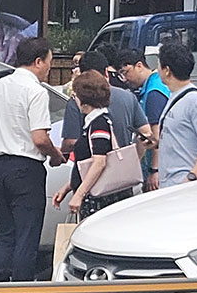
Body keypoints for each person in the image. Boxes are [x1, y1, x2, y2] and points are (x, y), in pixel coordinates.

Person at [0, 38, 63, 293]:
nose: (49, 67)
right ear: (38, 61)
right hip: (26, 168)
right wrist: (55, 154)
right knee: (26, 238)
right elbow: (39, 137)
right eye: (48, 61)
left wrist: (4, 142)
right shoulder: (35, 92)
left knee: (6, 235)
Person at [61, 51, 155, 192]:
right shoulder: (128, 97)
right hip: (122, 178)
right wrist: (132, 160)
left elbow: (70, 142)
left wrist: (61, 151)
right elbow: (146, 134)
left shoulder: (77, 102)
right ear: (106, 71)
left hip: (90, 182)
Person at [156, 42, 197, 188]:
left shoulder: (196, 101)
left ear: (167, 70)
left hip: (187, 189)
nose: (157, 69)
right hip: (170, 185)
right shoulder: (174, 95)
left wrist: (191, 178)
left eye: (158, 65)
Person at [52, 71, 116, 220]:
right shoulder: (95, 121)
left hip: (95, 198)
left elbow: (99, 162)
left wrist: (79, 194)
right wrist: (68, 186)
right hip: (92, 193)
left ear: (84, 100)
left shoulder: (98, 123)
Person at [117, 49, 171, 191]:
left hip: (161, 167)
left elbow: (157, 136)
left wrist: (154, 170)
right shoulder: (156, 83)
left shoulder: (153, 93)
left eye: (125, 72)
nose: (125, 79)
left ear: (139, 65)